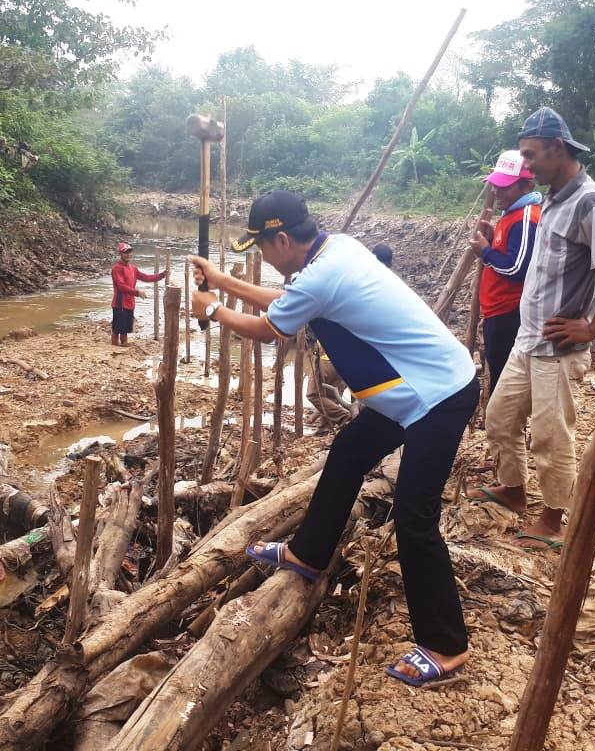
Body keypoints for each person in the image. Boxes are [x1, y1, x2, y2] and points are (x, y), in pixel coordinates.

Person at [189, 191, 479, 688]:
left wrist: (212, 309)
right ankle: (310, 552)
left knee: (415, 517)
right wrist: (222, 283)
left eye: (261, 248)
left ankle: (446, 645)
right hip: (411, 392)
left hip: (438, 395)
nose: (263, 258)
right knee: (347, 454)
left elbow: (267, 328)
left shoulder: (323, 275)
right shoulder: (334, 249)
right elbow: (288, 303)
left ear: (282, 240)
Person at [479, 107, 595, 549]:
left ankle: (554, 520)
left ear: (558, 149)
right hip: (527, 339)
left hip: (557, 345)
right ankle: (513, 490)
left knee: (551, 436)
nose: (527, 166)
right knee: (500, 418)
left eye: (532, 156)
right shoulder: (552, 197)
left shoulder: (590, 200)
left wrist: (592, 327)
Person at [469, 149, 541, 391]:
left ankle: (504, 426)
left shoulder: (526, 217)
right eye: (495, 186)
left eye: (504, 187)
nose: (496, 192)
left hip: (509, 314)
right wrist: (493, 242)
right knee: (500, 375)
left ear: (526, 187)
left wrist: (486, 252)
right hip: (497, 312)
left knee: (505, 382)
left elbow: (517, 267)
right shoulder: (511, 214)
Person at [305, 242, 395, 430]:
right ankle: (325, 427)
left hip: (331, 355)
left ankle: (346, 419)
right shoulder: (388, 286)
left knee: (314, 393)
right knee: (333, 392)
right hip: (357, 358)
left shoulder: (358, 283)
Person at [110, 243, 166, 346]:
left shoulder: (133, 268)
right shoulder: (117, 268)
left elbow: (146, 277)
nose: (128, 254)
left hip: (130, 302)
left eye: (130, 252)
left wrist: (161, 275)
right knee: (117, 329)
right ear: (120, 253)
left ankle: (123, 344)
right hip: (120, 303)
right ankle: (116, 347)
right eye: (125, 252)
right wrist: (137, 292)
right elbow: (121, 287)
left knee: (125, 329)